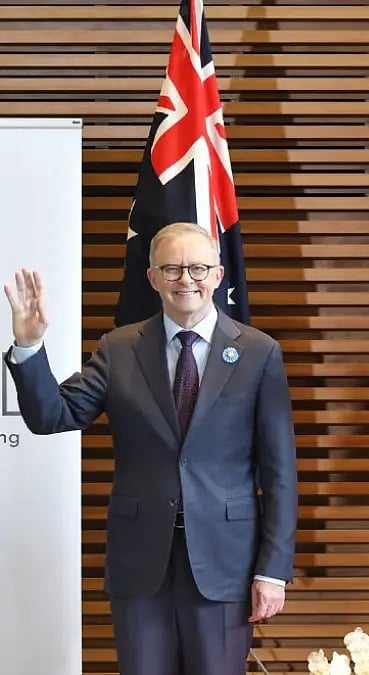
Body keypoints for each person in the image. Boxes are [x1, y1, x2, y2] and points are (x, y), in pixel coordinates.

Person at [3, 222, 298, 675]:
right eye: (173, 268)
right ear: (152, 278)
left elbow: (279, 474)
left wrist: (272, 570)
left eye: (198, 268)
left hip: (225, 564)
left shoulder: (259, 353)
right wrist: (29, 345)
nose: (187, 280)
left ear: (219, 275)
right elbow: (52, 417)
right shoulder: (119, 348)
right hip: (141, 563)